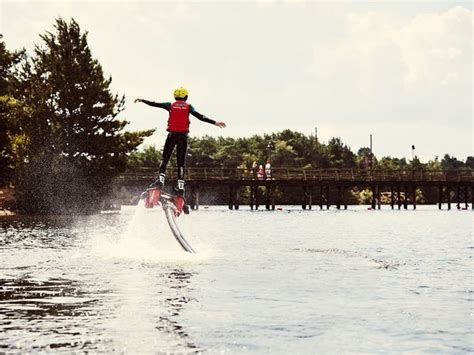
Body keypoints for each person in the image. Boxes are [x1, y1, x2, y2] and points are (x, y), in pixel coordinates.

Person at [135, 87, 226, 214]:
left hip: (172, 135)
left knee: (165, 158)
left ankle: (160, 180)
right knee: (181, 163)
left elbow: (155, 104)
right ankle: (180, 185)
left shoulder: (170, 105)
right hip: (183, 137)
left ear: (175, 97)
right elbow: (200, 116)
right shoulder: (188, 107)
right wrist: (215, 122)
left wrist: (142, 100)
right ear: (186, 97)